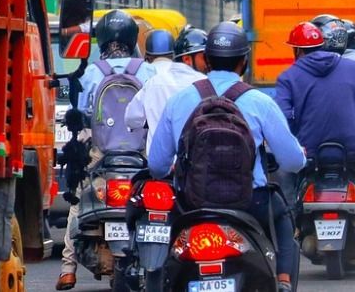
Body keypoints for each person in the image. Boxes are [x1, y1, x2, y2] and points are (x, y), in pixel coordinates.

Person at [148, 22, 305, 292]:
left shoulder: (179, 100)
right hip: (250, 203)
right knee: (283, 216)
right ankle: (283, 282)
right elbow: (292, 162)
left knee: (161, 244)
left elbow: (157, 165)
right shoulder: (260, 102)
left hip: (191, 205)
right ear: (244, 61)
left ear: (205, 60)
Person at [57, 10, 156, 290]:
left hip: (101, 153)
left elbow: (77, 110)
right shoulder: (146, 71)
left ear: (100, 39)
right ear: (131, 38)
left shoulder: (91, 72)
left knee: (78, 199)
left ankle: (67, 269)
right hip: (140, 153)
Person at [275, 21, 355, 162]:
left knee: (283, 175)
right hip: (351, 153)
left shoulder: (288, 77)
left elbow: (283, 120)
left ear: (297, 50)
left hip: (309, 156)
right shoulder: (351, 68)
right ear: (322, 45)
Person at [124, 29, 207, 155]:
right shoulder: (205, 83)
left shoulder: (152, 83)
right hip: (196, 162)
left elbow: (131, 118)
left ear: (147, 56)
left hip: (161, 164)